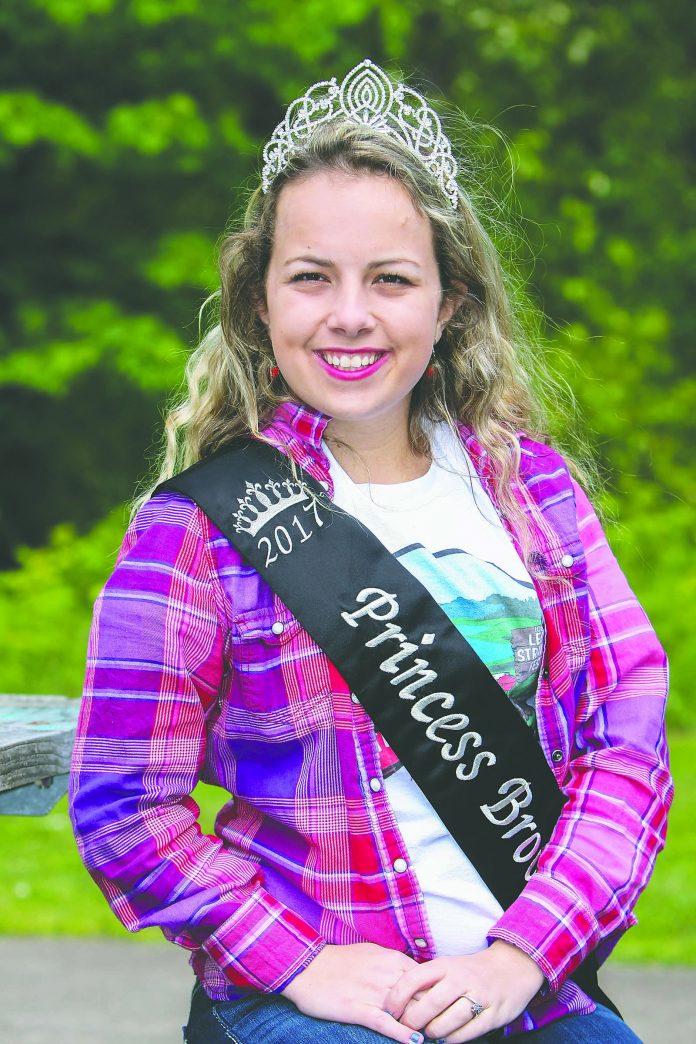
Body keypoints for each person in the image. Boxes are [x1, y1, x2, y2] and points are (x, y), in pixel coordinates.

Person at [69, 60, 671, 1044]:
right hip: (310, 1000)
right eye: (311, 277)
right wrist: (298, 963)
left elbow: (626, 745)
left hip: (525, 988)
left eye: (391, 279)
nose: (350, 314)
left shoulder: (535, 494)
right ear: (260, 302)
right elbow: (125, 805)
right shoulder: (199, 530)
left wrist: (522, 955)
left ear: (449, 303)